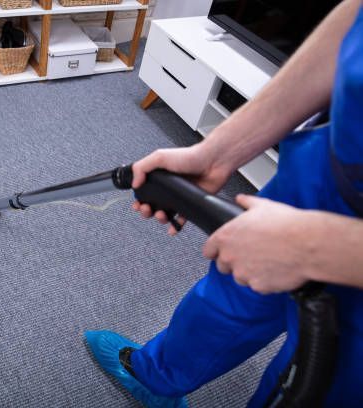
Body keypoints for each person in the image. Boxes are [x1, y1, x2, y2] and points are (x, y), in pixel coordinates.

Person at [85, 0, 363, 406]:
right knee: (235, 286)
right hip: (334, 162)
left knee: (323, 383)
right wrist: (219, 151)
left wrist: (320, 247)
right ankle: (156, 377)